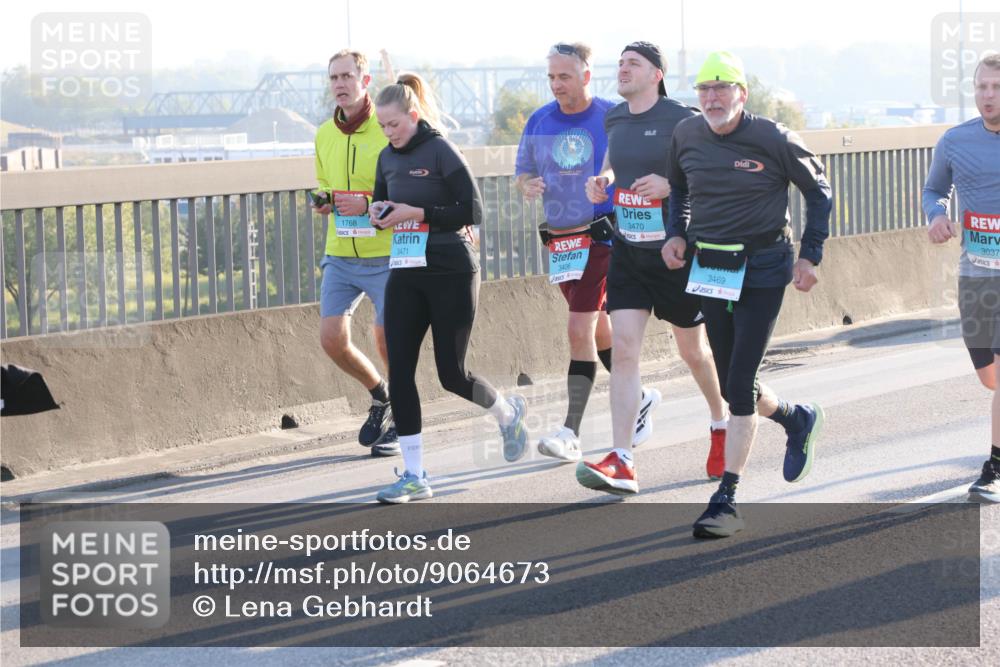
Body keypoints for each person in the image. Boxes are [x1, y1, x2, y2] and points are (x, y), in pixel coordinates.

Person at [663, 51, 832, 537]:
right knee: (734, 378)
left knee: (738, 383)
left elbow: (818, 192)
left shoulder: (774, 138)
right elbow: (678, 186)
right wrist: (677, 232)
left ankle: (727, 499)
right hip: (711, 265)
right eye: (704, 90)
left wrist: (810, 254)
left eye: (722, 88)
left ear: (742, 94)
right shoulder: (687, 133)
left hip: (762, 265)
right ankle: (796, 418)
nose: (713, 98)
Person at [369, 73, 529, 504]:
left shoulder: (440, 149)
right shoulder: (386, 157)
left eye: (394, 125)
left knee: (451, 374)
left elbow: (472, 209)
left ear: (413, 115)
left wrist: (415, 211)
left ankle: (507, 413)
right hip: (405, 267)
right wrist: (378, 213)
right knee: (399, 370)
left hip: (450, 267)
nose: (389, 134)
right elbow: (383, 202)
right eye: (382, 127)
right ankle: (415, 474)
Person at [515, 42, 635, 462]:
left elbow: (621, 160)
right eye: (551, 76)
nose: (556, 84)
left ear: (586, 76)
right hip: (560, 240)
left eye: (564, 76)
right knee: (597, 327)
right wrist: (527, 184)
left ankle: (571, 431)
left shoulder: (610, 115)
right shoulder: (540, 119)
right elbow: (523, 170)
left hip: (601, 236)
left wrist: (605, 177)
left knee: (577, 329)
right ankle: (638, 401)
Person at [923, 53, 1000, 503]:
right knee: (989, 379)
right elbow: (935, 189)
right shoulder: (955, 141)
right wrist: (936, 215)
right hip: (976, 272)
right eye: (982, 87)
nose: (988, 96)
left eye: (996, 87)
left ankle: (993, 465)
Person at [313, 49, 398, 456]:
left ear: (366, 82)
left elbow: (402, 189)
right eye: (334, 78)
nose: (340, 84)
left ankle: (401, 421)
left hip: (384, 252)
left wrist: (366, 205)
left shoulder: (387, 129)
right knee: (332, 339)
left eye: (347, 76)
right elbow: (328, 183)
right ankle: (381, 394)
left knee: (387, 338)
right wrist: (325, 200)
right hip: (340, 253)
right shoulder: (324, 134)